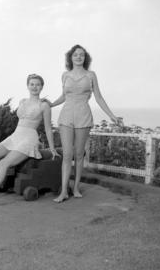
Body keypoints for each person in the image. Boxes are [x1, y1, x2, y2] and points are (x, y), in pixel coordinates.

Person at [44, 45, 123, 203]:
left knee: (79, 154)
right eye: (75, 55)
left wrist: (112, 115)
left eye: (81, 55)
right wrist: (51, 104)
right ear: (70, 58)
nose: (78, 57)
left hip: (83, 116)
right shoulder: (65, 75)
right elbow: (64, 96)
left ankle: (76, 188)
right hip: (66, 116)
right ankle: (64, 191)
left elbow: (99, 97)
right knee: (67, 155)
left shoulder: (91, 75)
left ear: (85, 58)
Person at [0, 74, 59, 207]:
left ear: (42, 87)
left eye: (38, 84)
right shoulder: (22, 101)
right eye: (32, 84)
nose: (34, 87)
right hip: (16, 135)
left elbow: (48, 129)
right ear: (28, 86)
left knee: (4, 163)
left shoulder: (44, 106)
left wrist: (52, 149)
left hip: (29, 138)